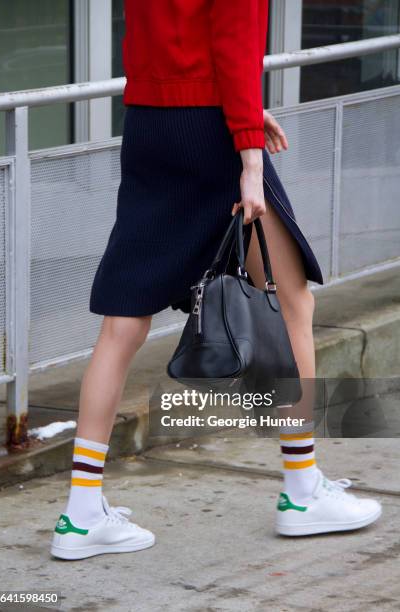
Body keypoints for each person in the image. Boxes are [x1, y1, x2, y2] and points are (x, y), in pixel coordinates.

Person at [51, 0, 381, 560]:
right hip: (214, 133)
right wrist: (248, 151)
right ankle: (302, 493)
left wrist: (245, 116)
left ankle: (81, 515)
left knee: (124, 319)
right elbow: (234, 43)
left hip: (151, 122)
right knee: (292, 302)